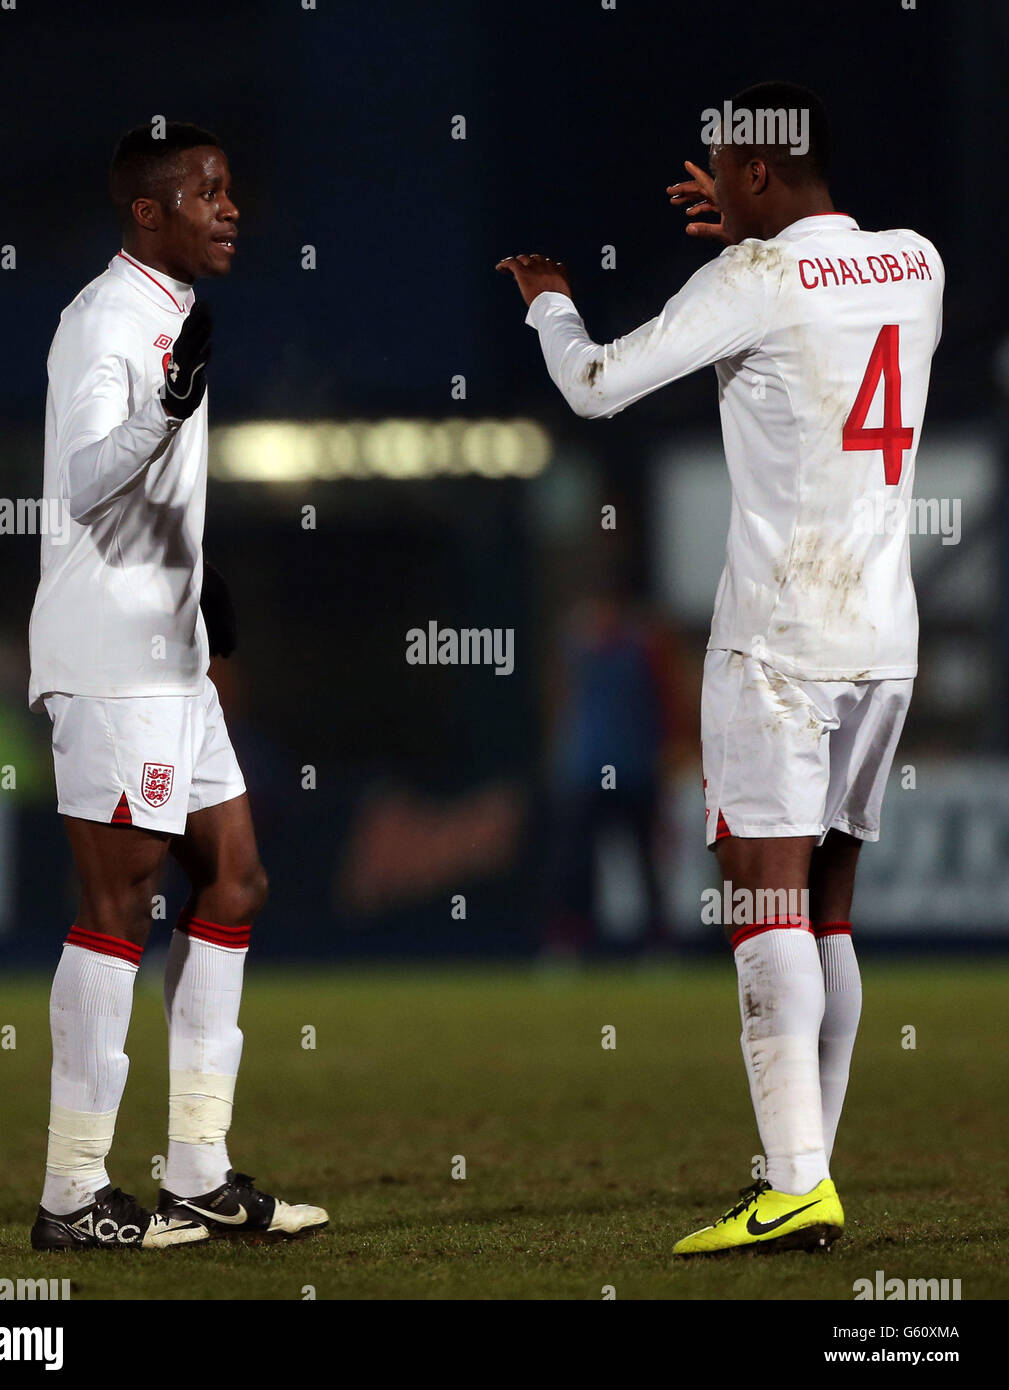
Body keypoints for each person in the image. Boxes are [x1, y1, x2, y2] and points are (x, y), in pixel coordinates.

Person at [498, 82, 943, 1255]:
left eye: (716, 165)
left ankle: (792, 1182)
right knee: (827, 914)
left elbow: (592, 384)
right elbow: (813, 274)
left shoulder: (744, 281)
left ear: (749, 173)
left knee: (761, 903)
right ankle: (808, 1176)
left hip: (777, 642)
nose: (703, 180)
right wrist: (756, 221)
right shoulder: (916, 264)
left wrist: (550, 307)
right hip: (882, 639)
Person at [27, 121, 328, 1250]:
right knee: (119, 906)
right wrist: (163, 409)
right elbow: (86, 482)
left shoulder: (173, 311)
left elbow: (152, 489)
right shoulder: (105, 319)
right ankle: (70, 1192)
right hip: (111, 660)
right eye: (207, 192)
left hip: (169, 653)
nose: (229, 207)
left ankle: (195, 1169)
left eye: (231, 189)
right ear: (149, 212)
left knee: (235, 879)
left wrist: (206, 581)